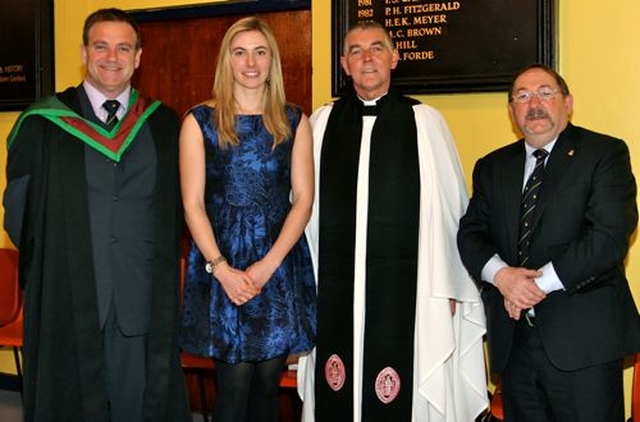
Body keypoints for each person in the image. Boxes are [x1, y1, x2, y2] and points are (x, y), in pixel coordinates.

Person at [2, 8, 190, 422]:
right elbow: (19, 214)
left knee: (138, 405)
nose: (112, 56)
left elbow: (182, 210)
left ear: (138, 57)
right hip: (70, 295)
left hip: (141, 297)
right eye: (101, 45)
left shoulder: (164, 125)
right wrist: (56, 268)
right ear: (84, 52)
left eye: (124, 47)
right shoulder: (44, 125)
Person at [298, 20, 487, 421]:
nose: (367, 58)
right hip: (335, 293)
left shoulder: (425, 122)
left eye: (377, 48)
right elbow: (302, 213)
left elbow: (451, 213)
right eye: (356, 50)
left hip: (412, 292)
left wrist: (450, 285)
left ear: (394, 58)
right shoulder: (320, 124)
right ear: (344, 65)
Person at [457, 63, 640, 421]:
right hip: (515, 346)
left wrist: (535, 285)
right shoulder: (492, 166)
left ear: (568, 103)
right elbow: (470, 233)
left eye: (545, 92)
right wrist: (502, 277)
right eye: (522, 97)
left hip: (584, 345)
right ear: (512, 111)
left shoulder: (604, 154)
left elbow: (609, 237)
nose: (534, 103)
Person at [179, 16, 317, 422]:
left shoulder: (294, 121)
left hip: (278, 263)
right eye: (240, 52)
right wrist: (222, 270)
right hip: (222, 263)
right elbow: (192, 205)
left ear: (272, 61)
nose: (251, 62)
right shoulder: (199, 122)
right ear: (227, 61)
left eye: (261, 52)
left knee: (266, 386)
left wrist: (269, 266)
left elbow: (304, 200)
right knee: (233, 387)